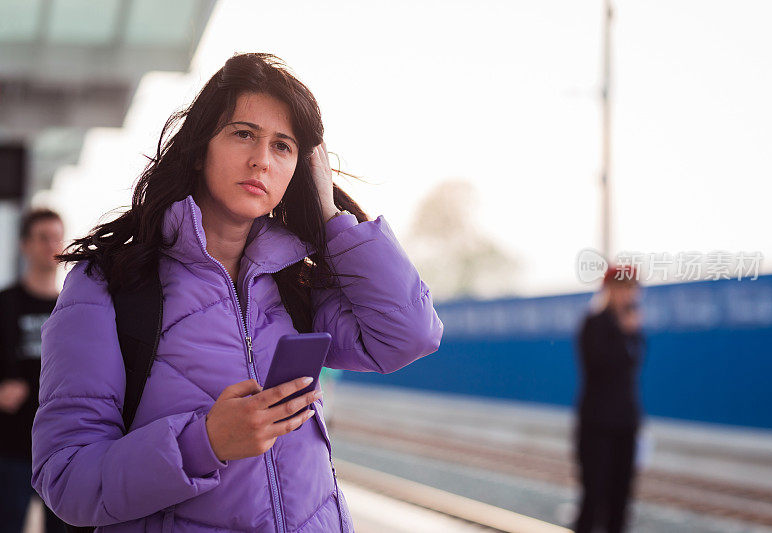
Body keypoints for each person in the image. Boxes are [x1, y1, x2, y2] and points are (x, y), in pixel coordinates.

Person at [31, 52, 444, 532]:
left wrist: (331, 217)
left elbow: (409, 336)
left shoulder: (294, 282)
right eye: (243, 133)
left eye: (283, 146)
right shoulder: (110, 282)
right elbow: (66, 478)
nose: (261, 161)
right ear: (200, 146)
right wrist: (205, 442)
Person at [0, 208, 69, 533]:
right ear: (25, 245)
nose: (51, 245)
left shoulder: (72, 308)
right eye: (43, 238)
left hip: (60, 448)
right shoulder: (5, 304)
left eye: (56, 237)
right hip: (11, 448)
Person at [573, 264, 645, 533]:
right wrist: (623, 332)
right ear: (609, 290)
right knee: (594, 496)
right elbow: (599, 364)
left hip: (626, 423)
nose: (629, 295)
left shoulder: (633, 325)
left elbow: (633, 366)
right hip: (597, 424)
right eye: (623, 288)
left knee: (621, 498)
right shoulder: (594, 323)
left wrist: (630, 331)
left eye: (632, 289)